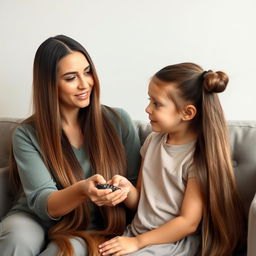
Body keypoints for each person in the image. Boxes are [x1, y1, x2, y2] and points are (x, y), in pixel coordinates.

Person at [0, 35, 141, 255]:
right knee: (15, 239)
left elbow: (137, 191)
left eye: (87, 72)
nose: (85, 84)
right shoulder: (27, 134)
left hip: (89, 227)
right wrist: (83, 190)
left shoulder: (119, 121)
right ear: (49, 84)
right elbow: (42, 202)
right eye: (70, 77)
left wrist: (125, 191)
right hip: (36, 217)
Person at [98, 63, 245, 256]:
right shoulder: (152, 141)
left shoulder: (198, 158)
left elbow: (187, 223)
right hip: (137, 235)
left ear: (187, 113)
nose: (147, 109)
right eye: (149, 100)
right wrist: (126, 189)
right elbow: (141, 199)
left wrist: (137, 242)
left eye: (157, 104)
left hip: (172, 243)